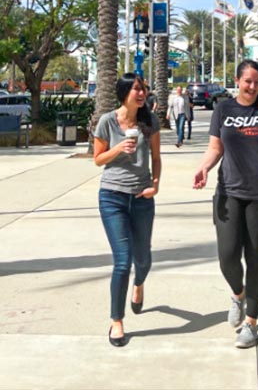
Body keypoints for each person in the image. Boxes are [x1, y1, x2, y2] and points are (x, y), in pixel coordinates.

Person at [193, 60, 258, 349]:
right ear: (237, 80)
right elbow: (215, 147)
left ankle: (251, 322)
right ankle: (238, 293)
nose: (252, 86)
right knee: (226, 255)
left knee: (255, 256)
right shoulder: (224, 108)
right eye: (247, 81)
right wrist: (204, 169)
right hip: (229, 191)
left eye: (257, 82)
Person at [94, 73, 161, 347]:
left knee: (143, 259)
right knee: (123, 261)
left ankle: (140, 284)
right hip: (112, 197)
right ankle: (116, 321)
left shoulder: (149, 121)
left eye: (143, 89)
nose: (142, 93)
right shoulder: (107, 121)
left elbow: (156, 158)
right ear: (124, 92)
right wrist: (119, 147)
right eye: (136, 89)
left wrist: (155, 185)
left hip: (142, 197)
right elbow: (98, 159)